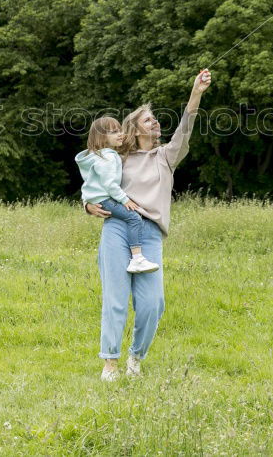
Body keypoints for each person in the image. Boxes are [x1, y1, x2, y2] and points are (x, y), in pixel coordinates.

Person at [85, 69, 212, 381]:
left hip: (150, 233)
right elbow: (92, 183)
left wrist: (196, 92)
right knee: (115, 299)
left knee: (152, 304)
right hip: (117, 228)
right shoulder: (117, 158)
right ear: (135, 129)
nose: (155, 123)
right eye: (148, 120)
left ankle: (135, 358)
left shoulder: (166, 156)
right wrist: (88, 205)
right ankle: (110, 364)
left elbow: (186, 127)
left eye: (156, 120)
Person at [74, 117, 159, 274]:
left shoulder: (99, 156)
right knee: (134, 218)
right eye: (114, 132)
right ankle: (137, 259)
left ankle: (136, 258)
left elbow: (91, 183)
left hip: (99, 199)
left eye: (120, 130)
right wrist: (125, 200)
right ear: (101, 137)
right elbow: (110, 184)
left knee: (131, 218)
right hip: (105, 200)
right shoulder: (109, 157)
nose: (120, 134)